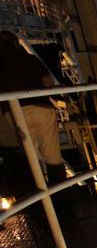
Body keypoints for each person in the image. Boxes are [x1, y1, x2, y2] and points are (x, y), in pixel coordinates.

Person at [0, 29, 66, 187]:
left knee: (30, 159)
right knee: (53, 156)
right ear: (16, 43)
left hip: (15, 112)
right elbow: (48, 82)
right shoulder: (29, 59)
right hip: (41, 107)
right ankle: (61, 196)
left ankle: (40, 197)